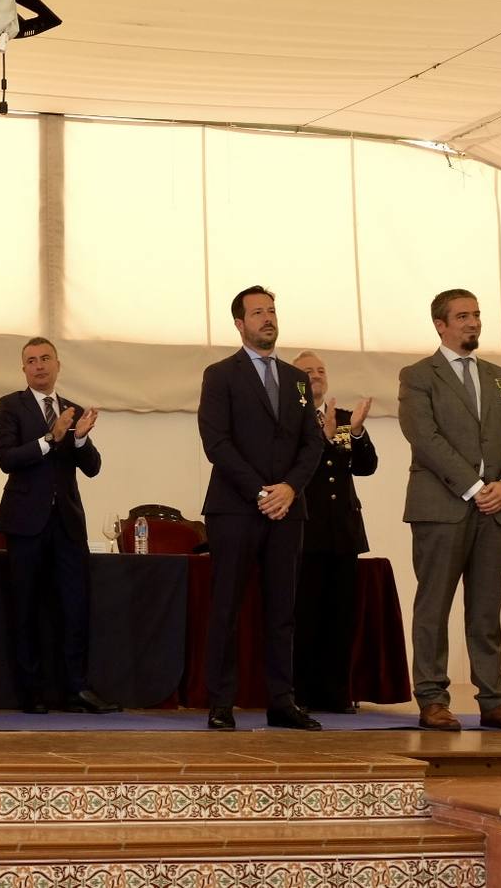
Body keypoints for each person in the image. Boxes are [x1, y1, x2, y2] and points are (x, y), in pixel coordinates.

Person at [398, 289, 501, 732]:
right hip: (442, 509)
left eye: (476, 315)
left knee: (486, 610)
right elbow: (424, 437)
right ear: (440, 324)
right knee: (433, 606)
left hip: (497, 510)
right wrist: (475, 486)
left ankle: (495, 700)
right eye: (462, 316)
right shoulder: (418, 375)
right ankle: (432, 698)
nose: (472, 323)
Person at [197, 286, 324, 731]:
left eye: (271, 311)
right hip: (235, 509)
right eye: (257, 313)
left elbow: (312, 442)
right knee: (227, 607)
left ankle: (281, 701)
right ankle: (220, 702)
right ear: (239, 323)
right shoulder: (220, 375)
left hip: (288, 509)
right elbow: (216, 442)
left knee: (282, 610)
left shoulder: (295, 379)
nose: (267, 318)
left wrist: (289, 488)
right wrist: (261, 491)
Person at [0, 337, 119, 715]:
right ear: (23, 369)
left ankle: (77, 688)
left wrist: (79, 438)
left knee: (75, 606)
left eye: (45, 358)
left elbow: (93, 467)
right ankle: (31, 691)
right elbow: (7, 458)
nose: (39, 366)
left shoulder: (72, 409)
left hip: (66, 523)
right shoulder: (11, 405)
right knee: (26, 607)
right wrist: (52, 438)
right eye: (30, 361)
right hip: (25, 522)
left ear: (58, 364)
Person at [290, 351, 375, 715]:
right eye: (307, 371)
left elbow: (367, 467)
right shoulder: (289, 420)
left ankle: (336, 692)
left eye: (321, 370)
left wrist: (355, 432)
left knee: (341, 617)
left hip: (343, 531)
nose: (316, 376)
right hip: (306, 531)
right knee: (306, 615)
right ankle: (303, 692)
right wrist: (322, 440)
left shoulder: (343, 419)